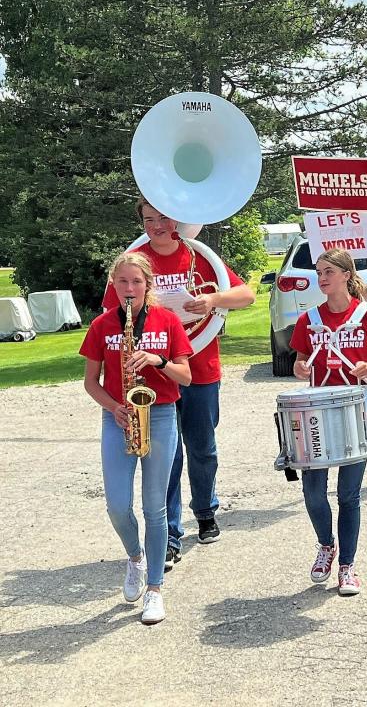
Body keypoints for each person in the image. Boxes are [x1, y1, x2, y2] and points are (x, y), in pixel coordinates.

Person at [103, 199, 256, 570]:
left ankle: (205, 511)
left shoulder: (199, 257)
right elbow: (111, 314)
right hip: (153, 374)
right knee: (164, 456)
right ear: (141, 221)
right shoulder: (134, 261)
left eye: (164, 217)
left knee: (203, 446)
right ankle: (169, 533)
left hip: (200, 366)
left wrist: (213, 299)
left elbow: (247, 295)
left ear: (177, 219)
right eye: (149, 219)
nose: (157, 225)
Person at [81, 252, 193, 625]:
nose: (130, 290)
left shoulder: (168, 321)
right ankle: (135, 558)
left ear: (149, 285)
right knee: (116, 505)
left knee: (155, 508)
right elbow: (89, 383)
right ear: (114, 284)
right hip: (118, 417)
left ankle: (155, 590)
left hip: (159, 415)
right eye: (124, 283)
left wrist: (157, 360)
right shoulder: (101, 325)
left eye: (138, 283)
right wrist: (114, 407)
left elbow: (187, 377)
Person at [289, 249, 367, 596]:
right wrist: (300, 368)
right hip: (317, 413)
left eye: (329, 271)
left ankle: (347, 565)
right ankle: (326, 544)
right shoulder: (309, 320)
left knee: (349, 495)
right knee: (313, 492)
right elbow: (300, 361)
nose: (322, 278)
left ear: (347, 275)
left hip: (355, 414)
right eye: (319, 272)